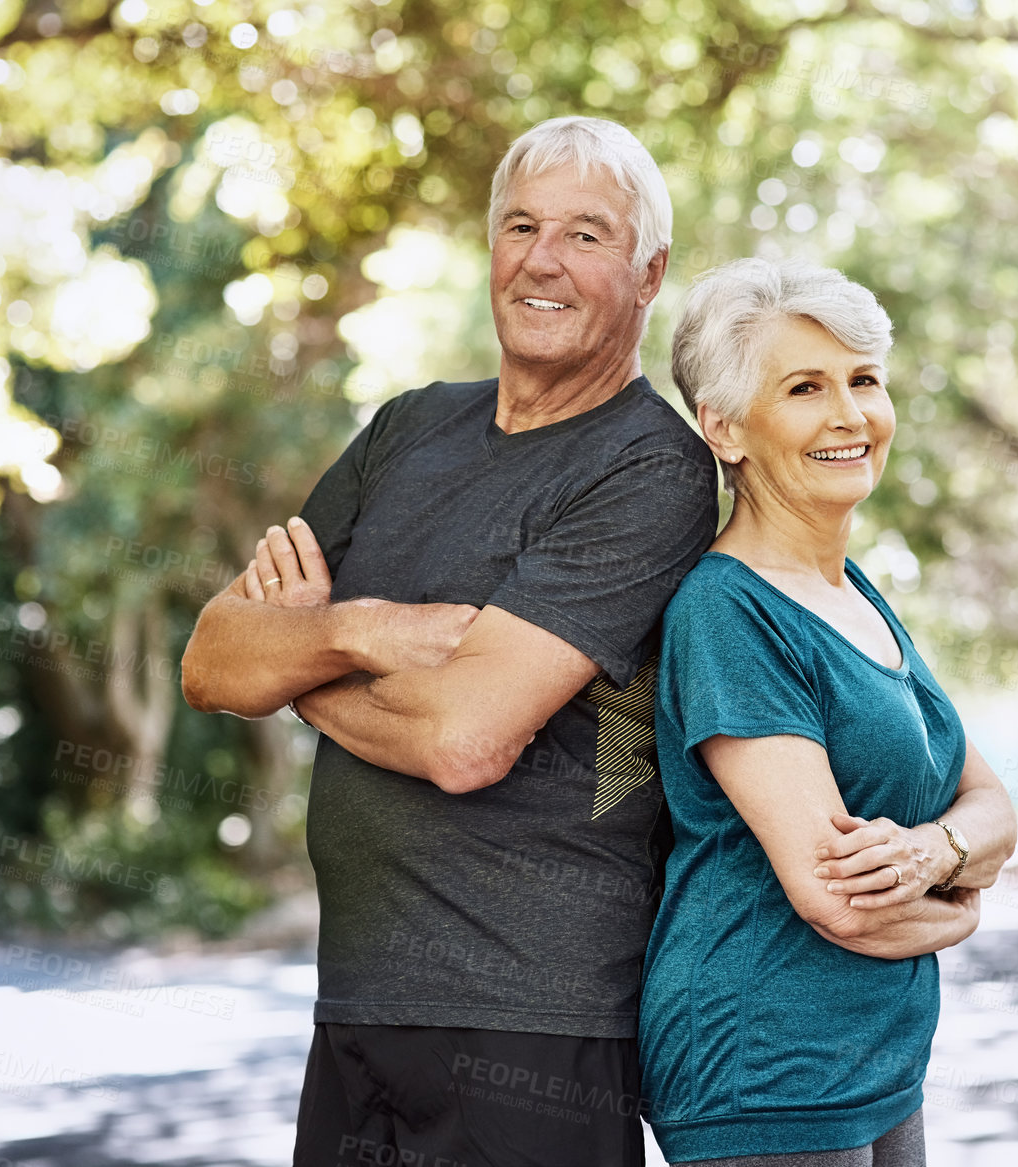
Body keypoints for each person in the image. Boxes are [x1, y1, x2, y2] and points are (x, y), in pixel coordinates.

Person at [179, 116, 718, 1167]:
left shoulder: (651, 469)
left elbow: (464, 741)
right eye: (520, 226)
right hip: (358, 1007)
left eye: (587, 236)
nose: (542, 261)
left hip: (531, 1027)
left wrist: (299, 666)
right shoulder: (406, 430)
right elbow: (211, 662)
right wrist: (366, 630)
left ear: (650, 273)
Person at [639, 258, 1018, 1166]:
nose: (849, 415)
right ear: (723, 428)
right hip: (763, 1068)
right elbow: (842, 904)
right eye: (805, 388)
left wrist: (936, 852)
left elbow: (993, 805)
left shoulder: (853, 593)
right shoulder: (727, 612)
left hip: (876, 1056)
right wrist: (965, 908)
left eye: (864, 380)